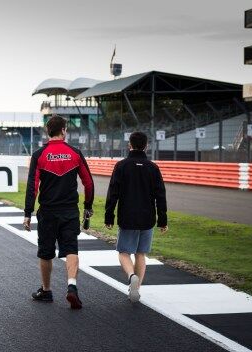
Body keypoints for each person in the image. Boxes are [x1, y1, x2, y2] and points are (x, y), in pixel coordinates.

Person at [23, 115, 94, 309]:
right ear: (63, 130)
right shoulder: (75, 153)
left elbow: (32, 186)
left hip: (48, 211)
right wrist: (88, 206)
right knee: (71, 249)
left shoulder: (39, 155)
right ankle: (72, 286)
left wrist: (28, 212)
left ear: (48, 132)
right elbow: (88, 183)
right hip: (70, 210)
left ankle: (46, 291)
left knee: (46, 252)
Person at [104, 132, 168, 303]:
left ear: (129, 145)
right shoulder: (153, 168)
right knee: (141, 254)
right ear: (146, 146)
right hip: (147, 218)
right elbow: (160, 195)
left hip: (127, 217)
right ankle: (136, 290)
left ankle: (131, 275)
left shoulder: (121, 166)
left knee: (124, 252)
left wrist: (109, 216)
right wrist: (163, 220)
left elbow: (113, 193)